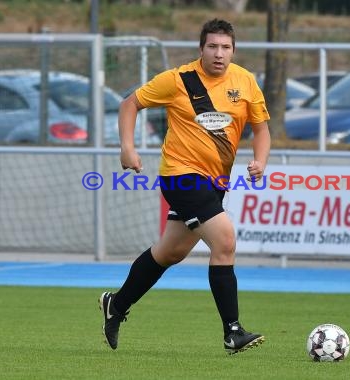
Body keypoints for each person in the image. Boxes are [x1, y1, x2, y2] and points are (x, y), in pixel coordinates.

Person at [99, 18, 271, 355]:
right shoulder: (179, 80)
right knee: (225, 240)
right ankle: (232, 332)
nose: (219, 53)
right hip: (181, 177)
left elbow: (261, 129)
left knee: (170, 252)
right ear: (201, 49)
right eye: (212, 46)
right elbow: (129, 104)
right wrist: (127, 147)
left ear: (234, 50)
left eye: (225, 47)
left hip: (214, 182)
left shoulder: (246, 81)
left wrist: (260, 161)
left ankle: (115, 305)